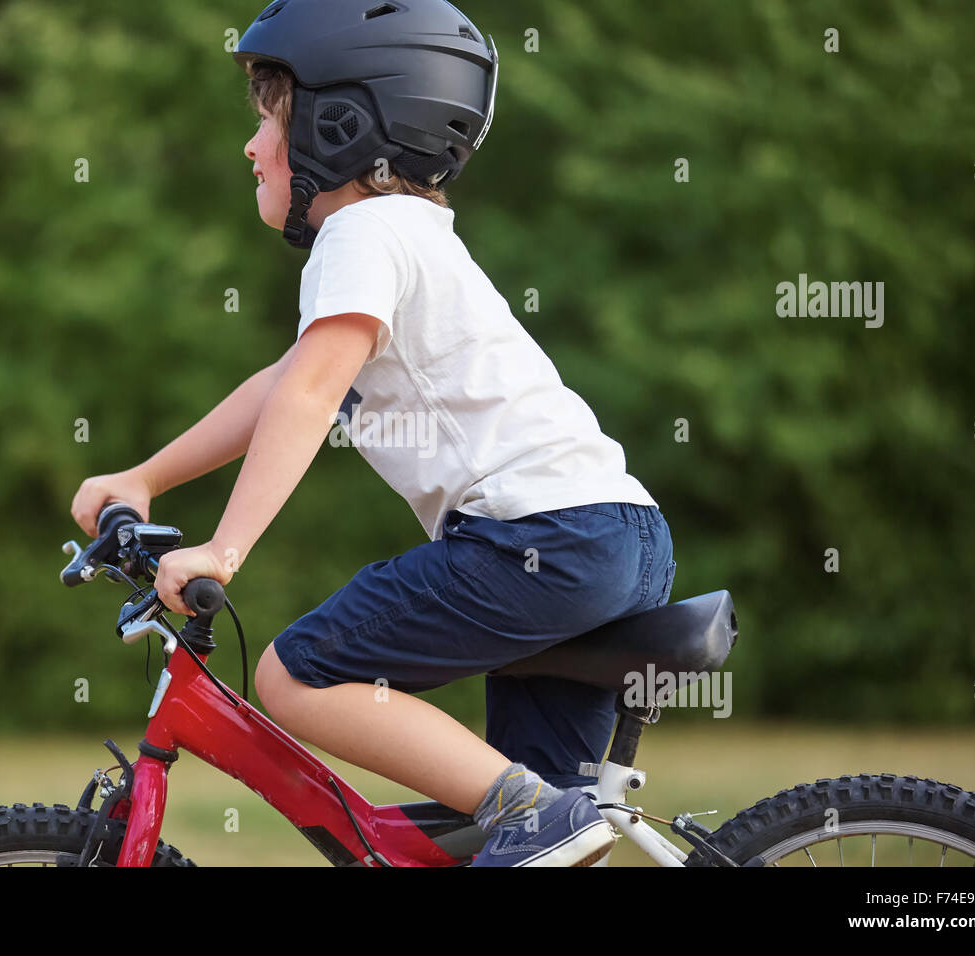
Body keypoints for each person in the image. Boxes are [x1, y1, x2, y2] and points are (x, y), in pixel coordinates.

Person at [70, 0, 676, 867]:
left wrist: (223, 551)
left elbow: (309, 397)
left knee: (294, 675)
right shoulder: (405, 236)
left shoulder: (360, 231)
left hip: (541, 541)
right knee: (509, 844)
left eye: (267, 119)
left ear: (338, 127)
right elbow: (280, 385)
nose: (251, 147)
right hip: (607, 537)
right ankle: (534, 813)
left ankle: (533, 811)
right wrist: (146, 478)